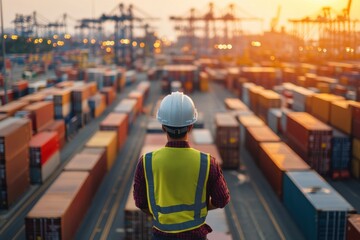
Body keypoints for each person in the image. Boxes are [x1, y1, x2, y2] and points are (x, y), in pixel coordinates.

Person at [133, 91, 230, 240]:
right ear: (191, 126)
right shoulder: (207, 162)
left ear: (163, 127)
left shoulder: (146, 161)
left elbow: (140, 202)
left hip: (161, 236)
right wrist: (201, 209)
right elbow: (222, 199)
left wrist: (163, 216)